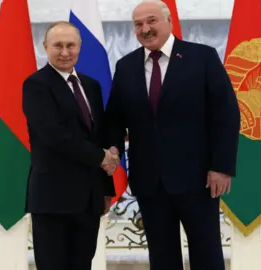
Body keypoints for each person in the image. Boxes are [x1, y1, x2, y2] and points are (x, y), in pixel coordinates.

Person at [103, 1, 240, 269]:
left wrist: (221, 167)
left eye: (151, 21)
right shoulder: (126, 66)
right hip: (149, 181)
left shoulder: (202, 57)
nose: (145, 29)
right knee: (162, 257)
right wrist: (113, 149)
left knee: (207, 253)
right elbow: (115, 118)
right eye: (138, 24)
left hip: (199, 180)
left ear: (169, 21)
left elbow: (226, 115)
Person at [22, 21, 118, 270]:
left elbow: (98, 135)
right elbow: (54, 135)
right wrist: (102, 157)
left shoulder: (91, 85)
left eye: (70, 45)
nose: (65, 52)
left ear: (79, 47)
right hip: (53, 198)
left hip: (89, 198)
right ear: (45, 47)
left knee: (82, 265)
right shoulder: (36, 85)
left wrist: (105, 186)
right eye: (58, 45)